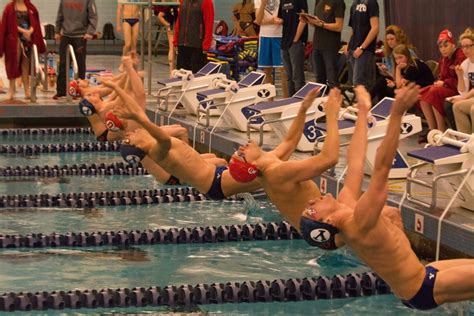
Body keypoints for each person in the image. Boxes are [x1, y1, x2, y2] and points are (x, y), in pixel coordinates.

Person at [299, 83, 474, 311]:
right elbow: (382, 167)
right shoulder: (359, 222)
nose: (311, 201)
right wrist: (397, 114)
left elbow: (357, 159)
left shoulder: (346, 205)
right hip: (423, 287)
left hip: (424, 274)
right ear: (328, 221)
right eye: (310, 210)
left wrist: (363, 111)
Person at [101, 82, 321, 200]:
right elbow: (162, 139)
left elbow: (143, 114)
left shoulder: (152, 142)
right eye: (130, 138)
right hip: (216, 184)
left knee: (282, 154)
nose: (130, 133)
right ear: (138, 147)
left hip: (216, 177)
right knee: (276, 167)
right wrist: (138, 117)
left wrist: (302, 109)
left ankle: (270, 194)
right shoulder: (157, 152)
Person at [227, 87, 340, 229]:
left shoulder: (268, 164)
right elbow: (329, 158)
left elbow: (290, 141)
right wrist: (332, 117)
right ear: (252, 165)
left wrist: (303, 109)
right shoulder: (278, 172)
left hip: (314, 229)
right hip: (321, 232)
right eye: (241, 154)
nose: (241, 148)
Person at [419, 29, 465, 137]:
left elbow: (462, 79)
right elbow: (442, 76)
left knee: (434, 92)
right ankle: (432, 129)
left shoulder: (460, 56)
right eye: (440, 47)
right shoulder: (443, 59)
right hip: (446, 87)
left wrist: (444, 83)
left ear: (453, 44)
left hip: (458, 89)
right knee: (421, 93)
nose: (443, 49)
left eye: (446, 45)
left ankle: (441, 129)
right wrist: (441, 82)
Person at [0, 0, 45, 100]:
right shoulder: (9, 8)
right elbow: (6, 25)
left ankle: (27, 91)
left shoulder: (30, 7)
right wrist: (22, 31)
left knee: (25, 65)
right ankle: (11, 90)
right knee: (13, 65)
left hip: (27, 40)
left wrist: (30, 31)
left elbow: (35, 23)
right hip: (13, 41)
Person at [54, 0, 98, 100]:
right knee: (63, 64)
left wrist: (90, 32)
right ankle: (61, 91)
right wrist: (57, 31)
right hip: (66, 35)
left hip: (80, 36)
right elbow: (60, 15)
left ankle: (80, 90)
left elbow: (93, 16)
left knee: (80, 64)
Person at [301, 0, 345, 89]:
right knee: (319, 80)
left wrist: (322, 24)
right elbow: (317, 23)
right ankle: (322, 101)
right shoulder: (318, 1)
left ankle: (335, 101)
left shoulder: (338, 2)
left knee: (332, 79)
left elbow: (339, 26)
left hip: (330, 46)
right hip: (317, 45)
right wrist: (308, 20)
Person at [371, 25, 416, 102]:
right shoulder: (388, 53)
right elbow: (392, 74)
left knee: (382, 82)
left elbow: (411, 74)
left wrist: (392, 76)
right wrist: (385, 71)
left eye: (392, 39)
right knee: (381, 80)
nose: (390, 42)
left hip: (406, 82)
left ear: (398, 39)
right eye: (388, 39)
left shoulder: (407, 52)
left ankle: (366, 102)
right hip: (395, 79)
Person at [255, 0, 288, 98]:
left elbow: (286, 17)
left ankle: (286, 101)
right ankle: (270, 102)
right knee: (266, 71)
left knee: (284, 71)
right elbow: (258, 20)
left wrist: (279, 20)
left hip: (280, 36)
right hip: (265, 36)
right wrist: (263, 4)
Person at [173, 0, 214, 74]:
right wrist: (176, 40)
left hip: (197, 46)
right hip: (182, 44)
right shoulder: (183, 2)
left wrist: (206, 45)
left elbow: (209, 25)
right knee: (181, 76)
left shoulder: (206, 2)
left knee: (196, 77)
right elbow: (179, 21)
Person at [278, 0, 308, 96]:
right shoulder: (282, 1)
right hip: (284, 42)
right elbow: (281, 18)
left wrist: (295, 39)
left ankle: (300, 104)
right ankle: (291, 101)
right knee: (288, 77)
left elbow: (303, 19)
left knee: (297, 77)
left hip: (296, 42)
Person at [346, 0, 379, 88]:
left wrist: (362, 47)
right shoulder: (354, 3)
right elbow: (353, 28)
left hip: (364, 49)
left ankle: (364, 101)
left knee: (359, 83)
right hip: (353, 48)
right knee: (355, 84)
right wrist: (349, 46)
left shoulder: (371, 3)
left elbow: (375, 28)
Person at [453, 28, 474, 134]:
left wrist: (463, 98)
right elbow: (463, 91)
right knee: (457, 107)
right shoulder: (465, 64)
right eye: (463, 47)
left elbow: (464, 95)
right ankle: (465, 140)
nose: (465, 50)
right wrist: (460, 76)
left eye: (468, 46)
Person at [154, 2, 179, 75]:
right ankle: (171, 70)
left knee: (174, 49)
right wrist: (168, 25)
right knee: (172, 48)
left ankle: (173, 70)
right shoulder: (170, 5)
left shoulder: (176, 5)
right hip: (173, 28)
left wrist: (167, 25)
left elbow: (160, 16)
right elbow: (160, 16)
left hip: (176, 28)